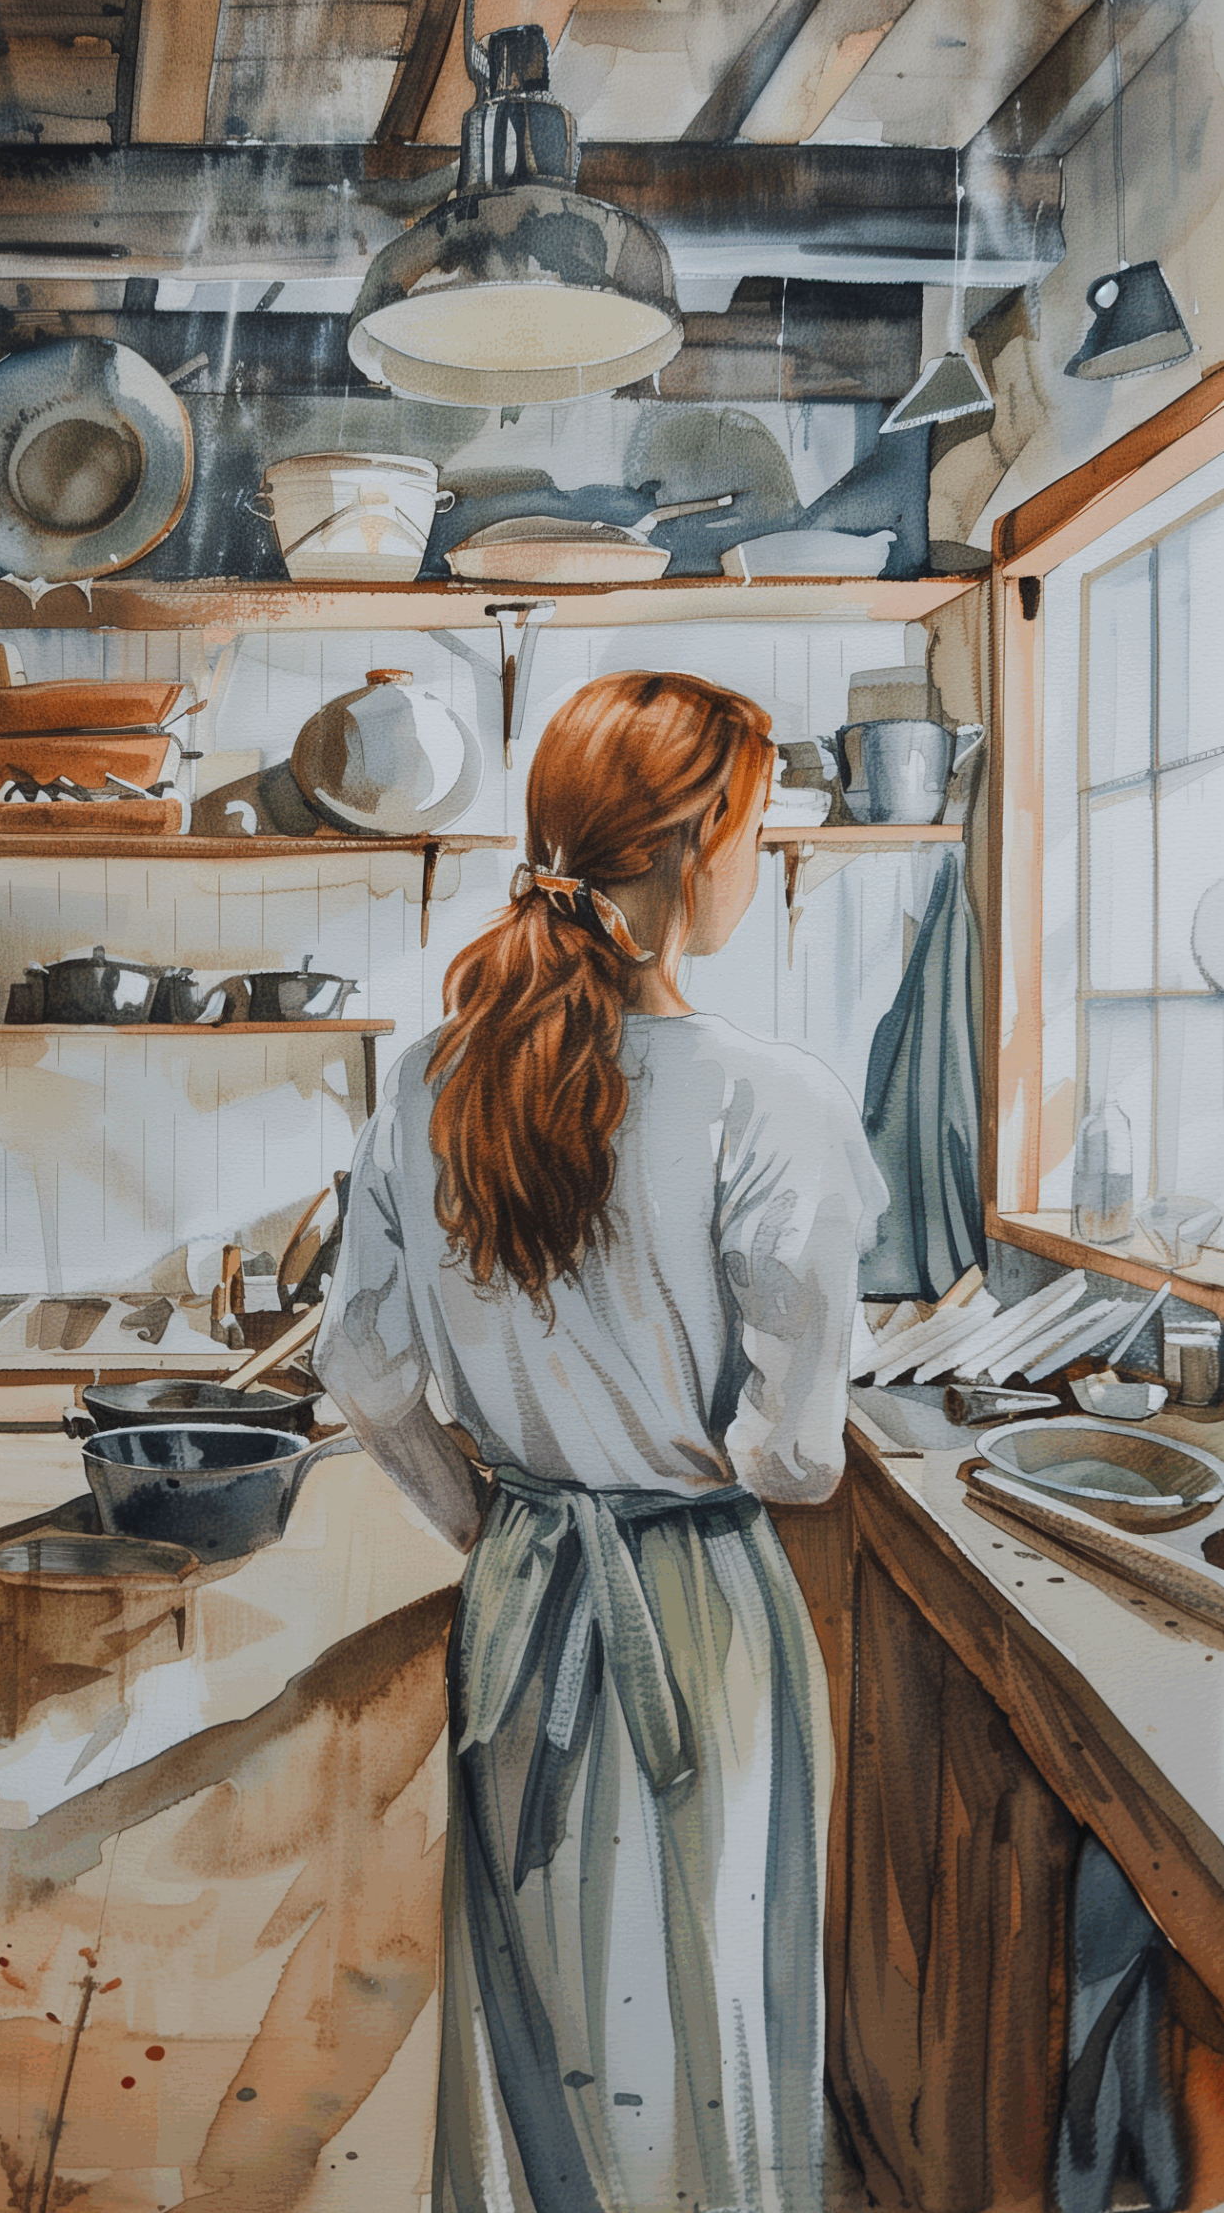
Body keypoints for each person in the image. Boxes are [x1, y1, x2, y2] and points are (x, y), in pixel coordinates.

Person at [313, 670, 887, 2213]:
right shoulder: (773, 1105)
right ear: (696, 840)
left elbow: (361, 1374)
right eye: (754, 832)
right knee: (704, 2001)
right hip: (694, 1609)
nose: (754, 866)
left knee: (536, 2012)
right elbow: (795, 1456)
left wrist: (499, 1519)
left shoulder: (431, 1078)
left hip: (520, 1597)